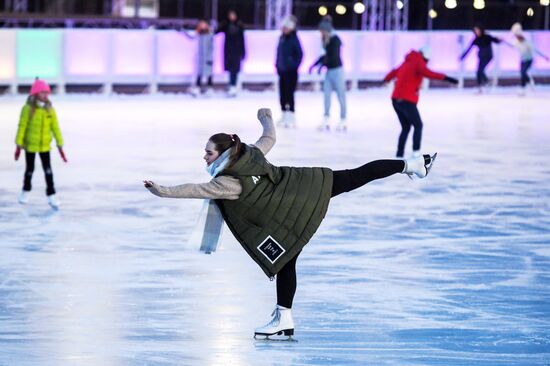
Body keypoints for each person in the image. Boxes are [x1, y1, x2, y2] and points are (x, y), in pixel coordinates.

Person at [143, 107, 437, 340]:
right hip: (301, 186)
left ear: (222, 154)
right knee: (354, 177)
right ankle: (412, 165)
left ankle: (284, 317)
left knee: (286, 259)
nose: (204, 156)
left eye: (209, 152)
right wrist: (266, 117)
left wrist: (162, 191)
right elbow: (269, 138)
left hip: (289, 210)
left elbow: (194, 189)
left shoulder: (227, 182)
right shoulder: (249, 154)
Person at [383, 47, 458, 158]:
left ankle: (399, 155)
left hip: (395, 100)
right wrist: (447, 78)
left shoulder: (407, 61)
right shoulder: (418, 61)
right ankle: (416, 154)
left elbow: (394, 71)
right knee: (418, 125)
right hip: (406, 100)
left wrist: (386, 79)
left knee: (406, 127)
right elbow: (428, 73)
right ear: (426, 57)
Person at [14, 79, 67, 209]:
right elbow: (22, 126)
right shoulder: (27, 109)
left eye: (47, 92)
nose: (46, 95)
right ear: (36, 93)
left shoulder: (49, 109)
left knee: (48, 171)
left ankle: (51, 194)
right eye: (43, 92)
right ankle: (25, 191)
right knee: (29, 170)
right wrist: (19, 144)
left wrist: (60, 143)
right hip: (30, 145)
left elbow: (55, 127)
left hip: (44, 146)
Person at [309, 16, 347, 131]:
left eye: (322, 31)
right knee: (326, 95)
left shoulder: (335, 40)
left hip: (337, 71)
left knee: (341, 95)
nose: (320, 33)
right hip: (329, 72)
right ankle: (326, 117)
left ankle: (343, 119)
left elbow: (334, 57)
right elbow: (324, 56)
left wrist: (322, 65)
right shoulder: (325, 40)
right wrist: (315, 65)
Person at [275, 15, 303, 128]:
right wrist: (277, 65)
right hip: (282, 70)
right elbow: (278, 53)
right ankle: (284, 114)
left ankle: (291, 115)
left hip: (291, 72)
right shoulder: (281, 38)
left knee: (289, 93)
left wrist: (293, 65)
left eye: (286, 27)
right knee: (282, 94)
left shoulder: (294, 39)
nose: (284, 29)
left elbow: (300, 55)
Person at [510, 23, 549, 95]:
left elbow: (535, 50)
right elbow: (511, 45)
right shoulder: (516, 42)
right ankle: (526, 85)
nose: (516, 37)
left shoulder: (527, 42)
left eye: (517, 36)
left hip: (529, 60)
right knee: (522, 73)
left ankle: (525, 85)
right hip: (522, 60)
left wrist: (544, 56)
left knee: (523, 72)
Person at [460, 25, 501, 92]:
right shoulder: (476, 39)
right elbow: (469, 49)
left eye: (478, 30)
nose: (477, 32)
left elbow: (496, 41)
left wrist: (499, 40)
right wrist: (463, 56)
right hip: (481, 57)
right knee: (479, 71)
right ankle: (482, 85)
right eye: (475, 31)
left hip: (488, 56)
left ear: (481, 30)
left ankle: (485, 83)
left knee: (480, 70)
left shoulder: (487, 37)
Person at [216, 9, 246, 97]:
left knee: (235, 69)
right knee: (229, 69)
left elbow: (242, 39)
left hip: (237, 50)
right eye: (230, 15)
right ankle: (231, 85)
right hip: (228, 50)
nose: (232, 17)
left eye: (233, 15)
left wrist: (243, 52)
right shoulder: (226, 25)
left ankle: (234, 85)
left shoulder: (239, 25)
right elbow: (217, 31)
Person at [185, 19, 214, 97]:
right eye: (201, 24)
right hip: (200, 57)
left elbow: (211, 47)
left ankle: (209, 88)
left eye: (204, 24)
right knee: (200, 73)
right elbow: (191, 37)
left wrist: (210, 57)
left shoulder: (210, 34)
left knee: (208, 73)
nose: (202, 25)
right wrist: (184, 31)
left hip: (208, 57)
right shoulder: (198, 33)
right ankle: (197, 87)